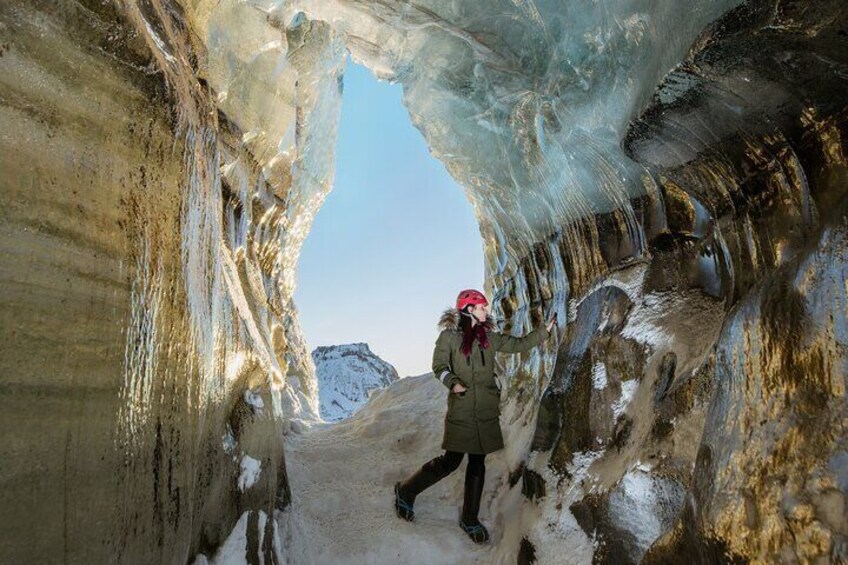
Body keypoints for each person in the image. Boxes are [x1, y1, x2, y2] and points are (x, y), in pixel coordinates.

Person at [393, 289, 557, 544]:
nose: (486, 311)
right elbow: (439, 366)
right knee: (451, 461)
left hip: (485, 411)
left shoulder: (488, 338)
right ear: (469, 309)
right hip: (462, 408)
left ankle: (469, 518)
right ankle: (406, 490)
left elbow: (518, 344)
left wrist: (544, 331)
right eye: (482, 307)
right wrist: (453, 383)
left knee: (478, 462)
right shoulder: (448, 337)